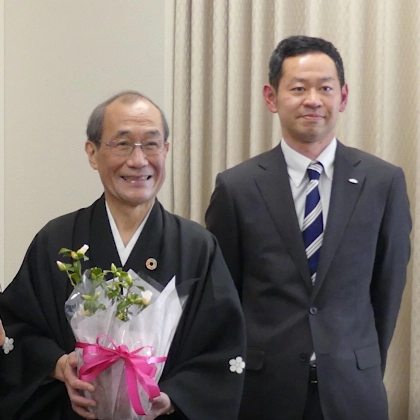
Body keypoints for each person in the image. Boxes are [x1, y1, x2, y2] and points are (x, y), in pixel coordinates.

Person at [0, 91, 246, 420]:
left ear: (167, 150)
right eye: (123, 143)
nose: (139, 160)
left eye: (151, 144)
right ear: (92, 152)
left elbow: (222, 350)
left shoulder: (198, 247)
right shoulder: (56, 240)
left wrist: (173, 397)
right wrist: (59, 366)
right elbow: (17, 328)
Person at [206, 35, 411, 420]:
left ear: (343, 97)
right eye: (298, 88)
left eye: (325, 88)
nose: (313, 100)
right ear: (271, 97)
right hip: (262, 393)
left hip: (353, 391)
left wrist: (361, 361)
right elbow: (224, 298)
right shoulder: (237, 187)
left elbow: (388, 288)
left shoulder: (383, 183)